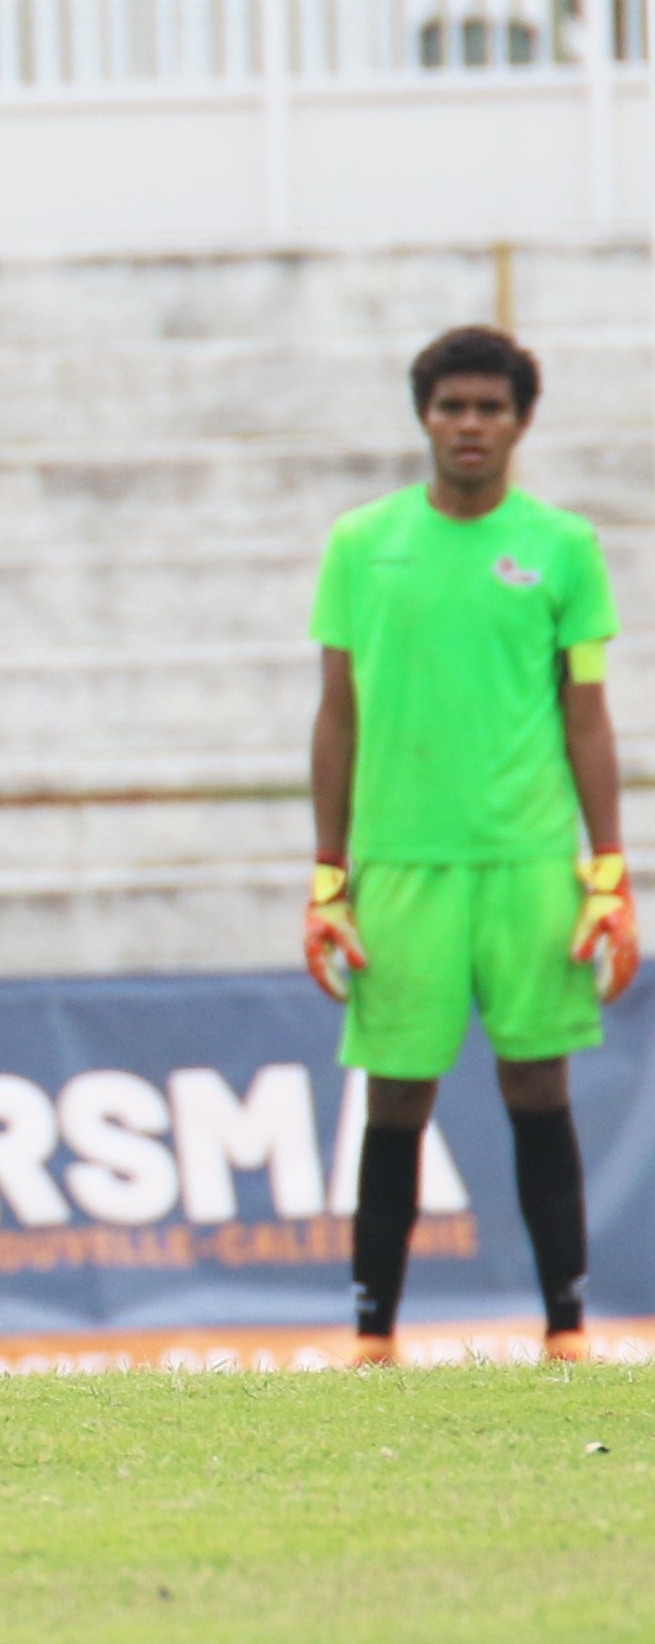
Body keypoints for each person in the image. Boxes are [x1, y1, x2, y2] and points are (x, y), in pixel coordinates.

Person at [304, 324, 631, 1367]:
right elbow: (336, 715)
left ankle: (565, 1328)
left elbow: (586, 714)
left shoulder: (561, 546)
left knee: (538, 1088)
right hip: (400, 864)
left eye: (491, 407)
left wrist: (609, 872)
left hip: (528, 863)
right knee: (396, 1095)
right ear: (424, 416)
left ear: (521, 420)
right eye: (452, 406)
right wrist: (327, 876)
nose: (470, 424)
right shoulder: (362, 542)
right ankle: (373, 1335)